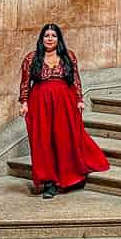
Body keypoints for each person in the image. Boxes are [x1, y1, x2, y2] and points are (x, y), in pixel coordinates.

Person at [19, 23, 109, 198]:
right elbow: (25, 82)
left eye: (53, 35)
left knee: (65, 137)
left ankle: (70, 174)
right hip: (40, 102)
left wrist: (79, 99)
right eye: (46, 36)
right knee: (43, 140)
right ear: (41, 39)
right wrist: (24, 102)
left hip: (64, 101)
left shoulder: (68, 56)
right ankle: (49, 183)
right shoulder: (31, 58)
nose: (50, 39)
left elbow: (75, 79)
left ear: (58, 39)